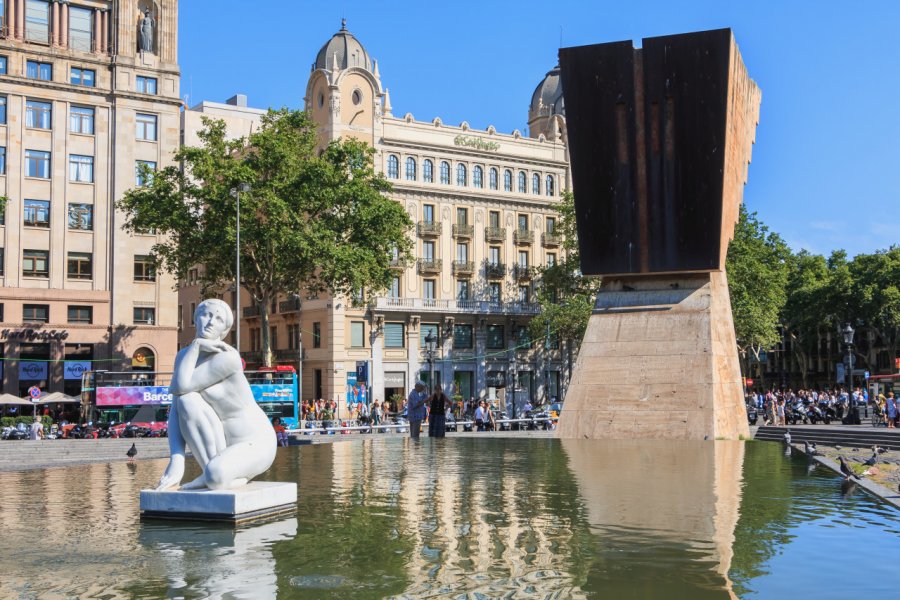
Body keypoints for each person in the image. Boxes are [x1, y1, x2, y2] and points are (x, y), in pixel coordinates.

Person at [155, 299, 276, 491]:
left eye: (219, 319)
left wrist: (195, 346)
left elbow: (180, 385)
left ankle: (214, 476)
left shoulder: (227, 357)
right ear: (196, 318)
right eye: (206, 315)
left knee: (216, 477)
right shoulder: (184, 356)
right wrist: (176, 460)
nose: (211, 322)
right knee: (187, 400)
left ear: (224, 330)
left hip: (255, 441)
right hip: (222, 443)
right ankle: (212, 474)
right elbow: (176, 408)